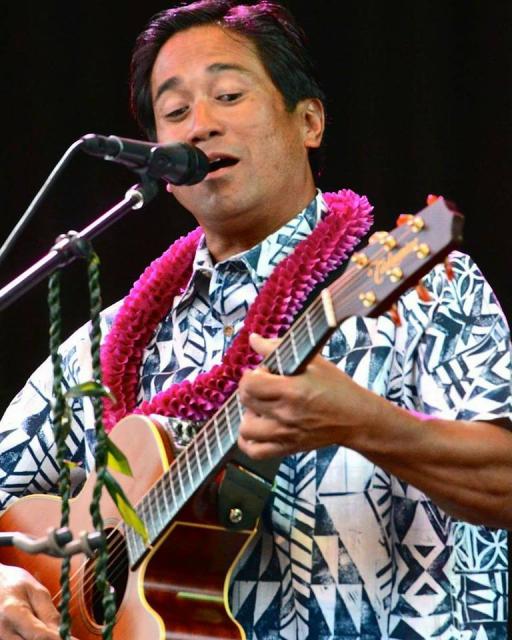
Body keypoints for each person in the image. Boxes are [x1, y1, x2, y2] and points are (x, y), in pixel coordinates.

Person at [0, 1, 511, 639]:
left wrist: (369, 426)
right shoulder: (105, 345)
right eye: (175, 111)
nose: (201, 125)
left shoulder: (425, 288)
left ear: (309, 121)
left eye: (229, 95)